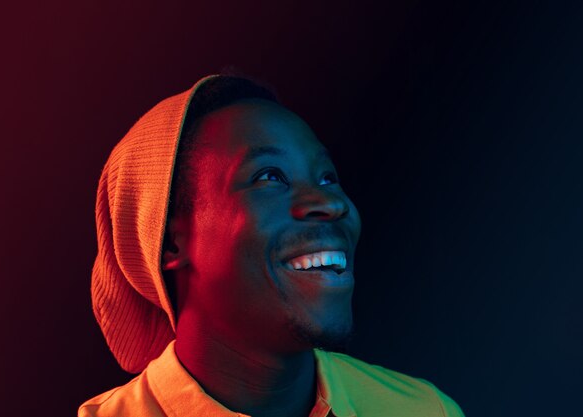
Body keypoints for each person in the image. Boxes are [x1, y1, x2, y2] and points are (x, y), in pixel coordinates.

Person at [79, 74, 465, 417]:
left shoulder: (424, 410)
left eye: (328, 178)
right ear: (171, 243)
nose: (331, 203)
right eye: (269, 176)